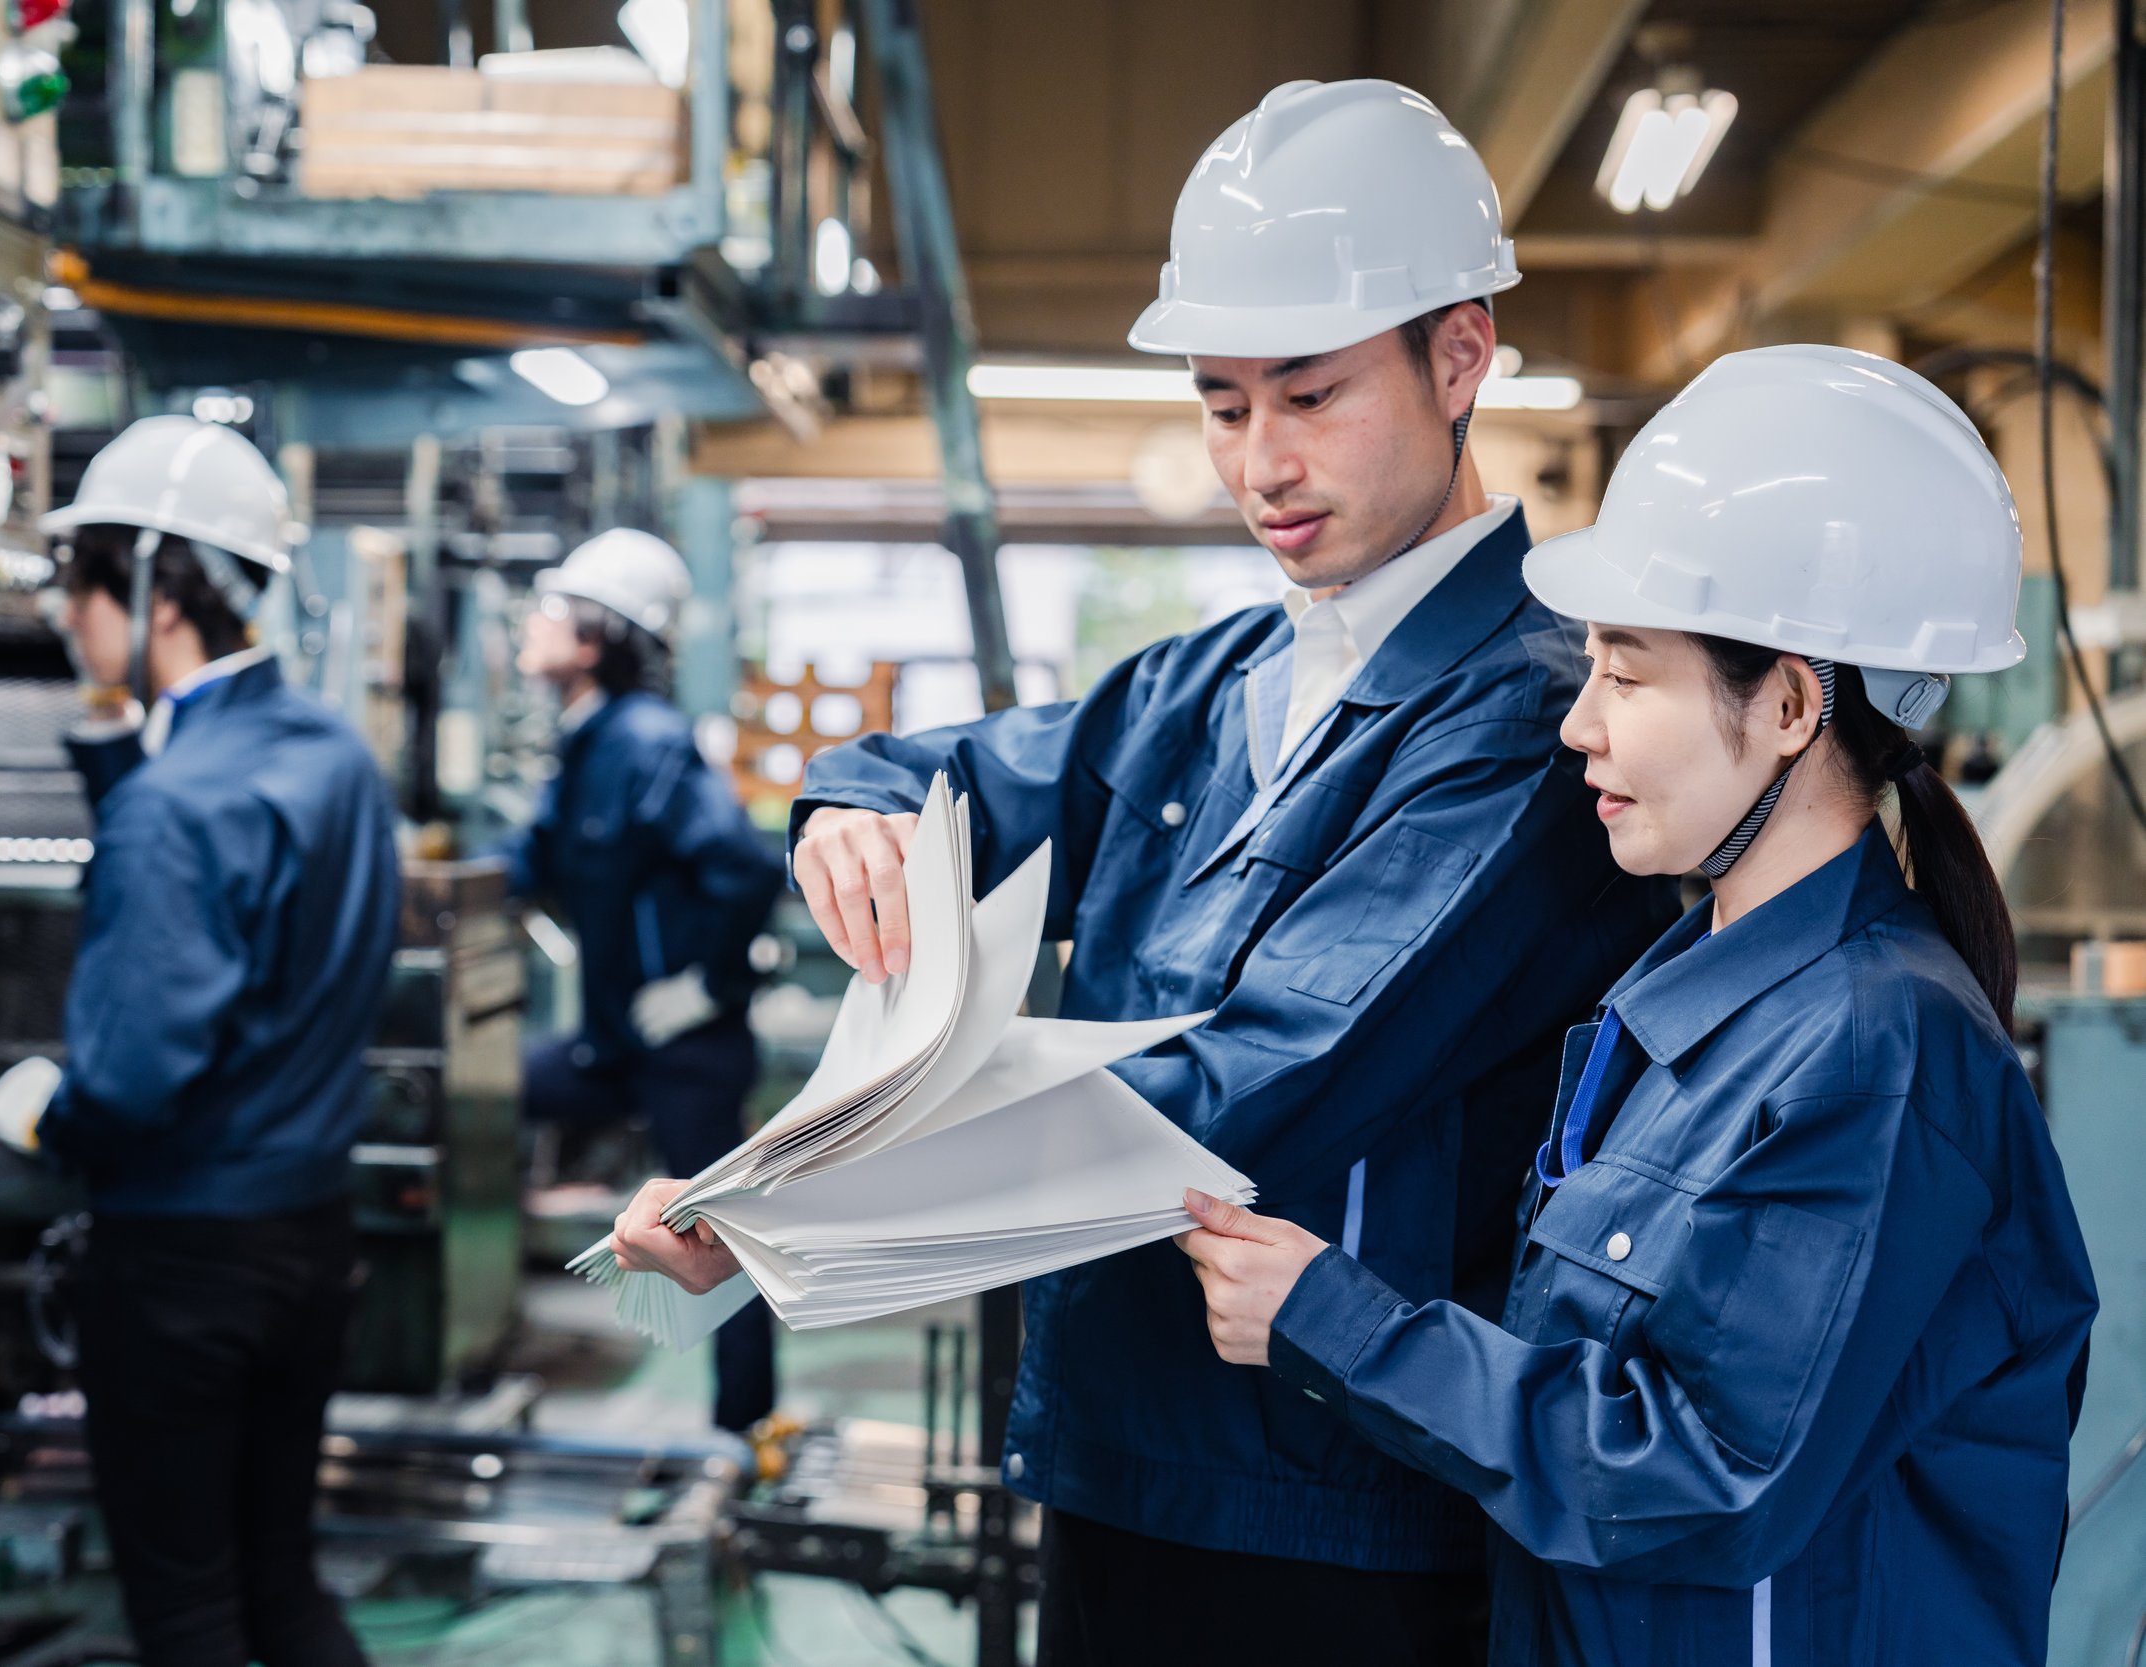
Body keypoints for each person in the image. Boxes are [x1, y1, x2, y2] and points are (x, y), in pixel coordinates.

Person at [610, 80, 1678, 1662]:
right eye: (1223, 401)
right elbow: (945, 769)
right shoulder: (1217, 677)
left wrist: (802, 1198)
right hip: (1119, 1451)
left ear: (1461, 357)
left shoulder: (1530, 718)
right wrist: (847, 804)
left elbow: (1257, 1079)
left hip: (1329, 1505)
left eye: (1309, 396)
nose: (1261, 462)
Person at [1177, 346, 2098, 1665]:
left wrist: (1336, 1320)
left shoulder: (1876, 1053)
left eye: (1629, 671)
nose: (1579, 727)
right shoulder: (1682, 1011)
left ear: (1787, 702)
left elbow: (1702, 1475)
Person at [0, 415, 401, 1667]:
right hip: (311, 1239)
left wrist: (45, 1113)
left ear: (158, 588)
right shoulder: (333, 755)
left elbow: (131, 1078)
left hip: (180, 1269)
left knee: (187, 1614)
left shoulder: (176, 804)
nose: (66, 612)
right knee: (282, 1584)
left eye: (80, 577)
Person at [505, 528, 784, 1432]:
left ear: (593, 638)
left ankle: (744, 1430)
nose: (529, 622)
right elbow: (534, 855)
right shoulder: (586, 739)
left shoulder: (649, 742)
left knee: (723, 1232)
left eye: (551, 607)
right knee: (482, 1092)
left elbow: (742, 868)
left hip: (684, 1046)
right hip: (615, 1039)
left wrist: (704, 986)